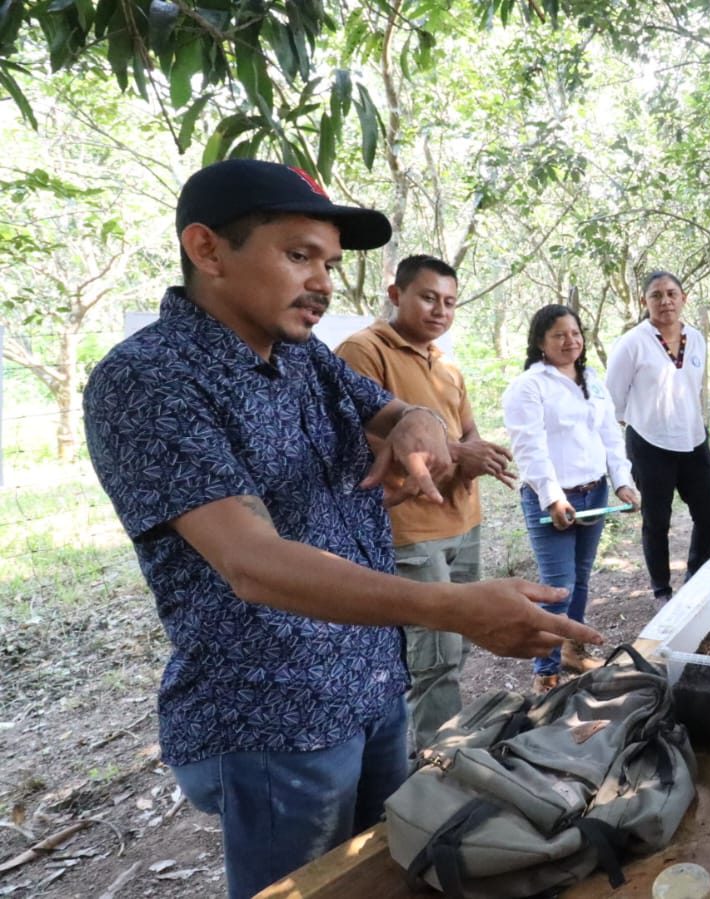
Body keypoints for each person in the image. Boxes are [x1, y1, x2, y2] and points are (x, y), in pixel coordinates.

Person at [81, 159, 599, 899]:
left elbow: (396, 411)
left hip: (371, 684)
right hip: (275, 715)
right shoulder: (149, 380)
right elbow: (252, 563)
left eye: (327, 261)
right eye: (298, 255)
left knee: (386, 871)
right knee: (307, 889)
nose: (322, 281)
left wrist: (417, 424)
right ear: (206, 249)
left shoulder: (304, 358)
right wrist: (454, 607)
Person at [335, 254, 516, 749]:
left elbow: (466, 429)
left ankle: (446, 743)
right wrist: (459, 451)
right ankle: (442, 762)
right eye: (429, 297)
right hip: (413, 530)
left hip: (464, 520)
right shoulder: (362, 352)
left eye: (450, 302)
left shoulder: (446, 363)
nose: (440, 311)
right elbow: (373, 445)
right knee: (432, 655)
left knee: (454, 645)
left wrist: (477, 453)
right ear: (396, 294)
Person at [504, 305, 641, 691]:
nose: (571, 342)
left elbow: (610, 437)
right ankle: (544, 671)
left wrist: (623, 483)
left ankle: (572, 649)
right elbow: (529, 448)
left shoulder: (592, 380)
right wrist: (551, 498)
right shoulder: (529, 386)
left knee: (580, 580)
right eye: (559, 335)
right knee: (556, 586)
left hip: (594, 492)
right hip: (553, 500)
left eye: (575, 333)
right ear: (539, 342)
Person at [606, 270, 710, 601]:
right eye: (656, 295)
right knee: (657, 521)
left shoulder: (696, 338)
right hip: (649, 444)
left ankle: (696, 578)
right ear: (645, 302)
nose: (665, 301)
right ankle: (662, 592)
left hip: (693, 439)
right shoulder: (632, 343)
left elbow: (692, 388)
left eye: (672, 293)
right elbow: (612, 400)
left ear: (684, 298)